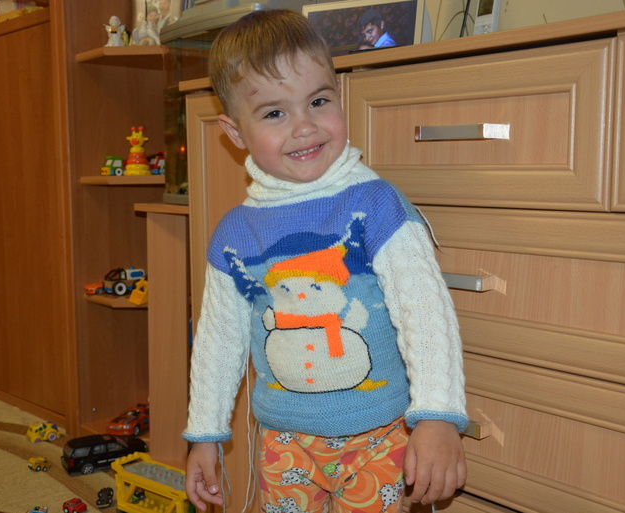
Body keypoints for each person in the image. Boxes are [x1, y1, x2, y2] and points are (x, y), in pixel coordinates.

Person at [183, 9, 467, 513]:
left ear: (339, 94)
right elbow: (217, 342)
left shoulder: (376, 205)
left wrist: (438, 415)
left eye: (318, 101)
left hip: (380, 436)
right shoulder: (234, 234)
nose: (305, 126)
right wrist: (204, 433)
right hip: (282, 442)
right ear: (234, 131)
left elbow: (425, 312)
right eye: (274, 113)